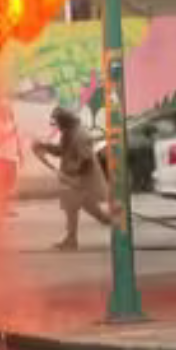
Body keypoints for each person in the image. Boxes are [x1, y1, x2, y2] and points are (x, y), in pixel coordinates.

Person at [34, 107, 111, 251]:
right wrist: (45, 146)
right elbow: (61, 151)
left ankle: (72, 239)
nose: (57, 125)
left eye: (58, 122)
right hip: (75, 180)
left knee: (76, 208)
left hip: (84, 181)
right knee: (83, 210)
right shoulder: (68, 133)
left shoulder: (80, 135)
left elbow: (86, 161)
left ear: (64, 121)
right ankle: (73, 238)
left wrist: (74, 178)